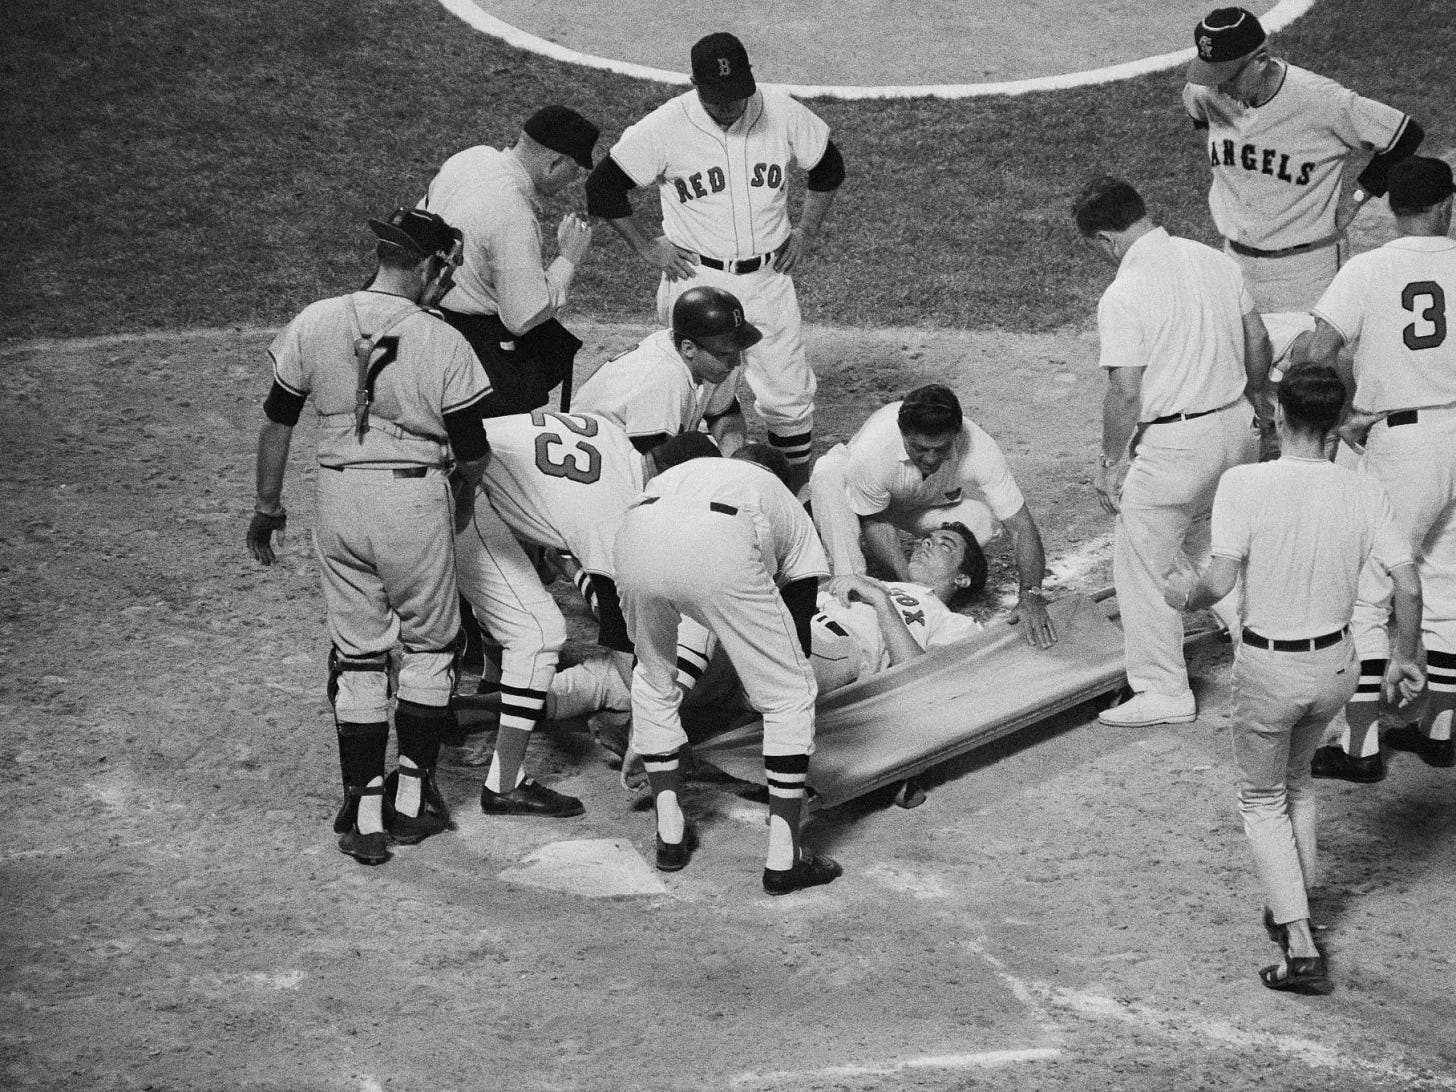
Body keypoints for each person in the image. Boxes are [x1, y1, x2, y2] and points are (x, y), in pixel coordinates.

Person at [1163, 363, 1422, 993]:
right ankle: (1293, 901)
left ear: (1278, 417)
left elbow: (1219, 583)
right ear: (1337, 423)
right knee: (1299, 784)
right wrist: (1403, 655)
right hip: (1337, 667)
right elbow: (1408, 585)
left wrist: (1186, 597)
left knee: (1261, 801)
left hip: (1270, 671)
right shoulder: (1365, 489)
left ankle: (1300, 943)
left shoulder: (1244, 483)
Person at [246, 208, 492, 865]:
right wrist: (461, 495)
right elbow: (471, 451)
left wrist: (268, 507)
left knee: (358, 652)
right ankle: (412, 801)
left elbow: (277, 423)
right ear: (428, 266)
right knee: (431, 643)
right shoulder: (443, 341)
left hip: (338, 496)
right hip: (411, 498)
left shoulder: (316, 318)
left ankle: (364, 809)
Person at [585, 31, 846, 485]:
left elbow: (828, 166)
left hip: (768, 277)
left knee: (788, 399)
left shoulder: (780, 111)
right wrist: (647, 247)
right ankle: (683, 492)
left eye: (737, 95)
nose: (729, 106)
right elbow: (603, 187)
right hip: (696, 280)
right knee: (690, 390)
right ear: (695, 83)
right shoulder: (666, 125)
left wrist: (805, 230)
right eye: (717, 98)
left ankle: (794, 493)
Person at [1074, 175, 1272, 727]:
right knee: (1215, 544)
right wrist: (1259, 400)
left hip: (1175, 447)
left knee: (1143, 560)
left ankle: (1163, 689)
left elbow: (1125, 391)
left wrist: (1112, 466)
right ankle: (1259, 646)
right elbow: (1257, 340)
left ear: (1107, 239)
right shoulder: (1213, 260)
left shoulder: (1124, 292)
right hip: (1238, 429)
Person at [1289, 156, 1456, 781]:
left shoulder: (1368, 268)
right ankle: (1439, 729)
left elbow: (1317, 349)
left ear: (1391, 209)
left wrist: (1344, 412)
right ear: (1447, 204)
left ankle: (1359, 745)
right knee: (1445, 582)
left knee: (1368, 588)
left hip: (1403, 445)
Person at [613, 439, 841, 893]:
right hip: (721, 542)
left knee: (653, 678)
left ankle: (670, 835)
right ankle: (785, 856)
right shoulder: (788, 509)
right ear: (788, 484)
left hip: (634, 532)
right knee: (790, 693)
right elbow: (796, 634)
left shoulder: (692, 471)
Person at [1183, 7, 1423, 316]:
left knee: (1313, 363)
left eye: (1226, 77)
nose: (1219, 87)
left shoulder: (1320, 100)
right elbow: (1198, 112)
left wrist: (1355, 199)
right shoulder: (1204, 92)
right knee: (1246, 361)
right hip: (1236, 263)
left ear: (1259, 62)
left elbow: (1405, 136)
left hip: (1308, 271)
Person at [808, 383, 1057, 649]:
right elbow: (875, 520)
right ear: (903, 434)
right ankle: (851, 580)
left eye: (940, 448)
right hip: (862, 501)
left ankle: (932, 586)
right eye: (921, 448)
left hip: (918, 503)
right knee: (827, 472)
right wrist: (907, 580)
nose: (930, 458)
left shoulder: (980, 449)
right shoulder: (875, 449)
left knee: (981, 520)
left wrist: (1031, 593)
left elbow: (1021, 527)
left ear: (956, 434)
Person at [421, 105, 599, 416]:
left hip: (419, 315)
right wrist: (567, 260)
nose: (573, 182)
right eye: (574, 172)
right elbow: (522, 317)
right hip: (467, 343)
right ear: (554, 162)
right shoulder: (513, 213)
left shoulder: (470, 158)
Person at [574, 285, 755, 455]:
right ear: (688, 348)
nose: (736, 362)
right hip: (593, 460)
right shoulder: (664, 378)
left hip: (639, 448)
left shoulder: (706, 356)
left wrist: (731, 456)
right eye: (725, 353)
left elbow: (725, 415)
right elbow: (653, 466)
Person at [811, 523, 986, 693]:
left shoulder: (955, 622)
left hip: (839, 645)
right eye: (927, 540)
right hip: (803, 619)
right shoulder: (876, 584)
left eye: (945, 545)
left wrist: (880, 600)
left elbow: (926, 681)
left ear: (962, 578)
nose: (927, 544)